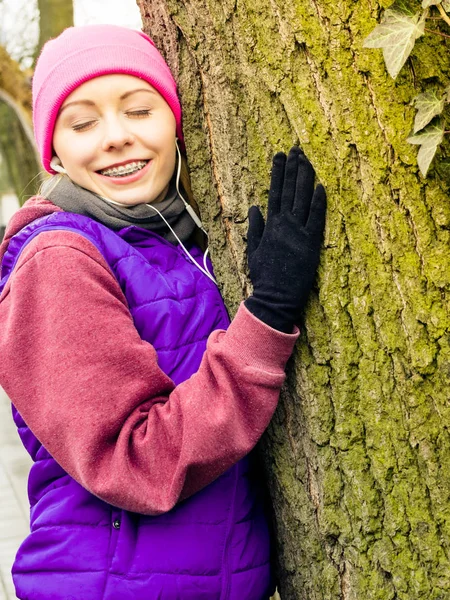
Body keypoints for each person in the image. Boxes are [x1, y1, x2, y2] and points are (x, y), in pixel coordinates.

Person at [0, 24, 326, 600]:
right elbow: (135, 460)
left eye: (139, 110)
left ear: (176, 120)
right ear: (53, 149)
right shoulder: (57, 260)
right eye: (83, 123)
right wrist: (267, 314)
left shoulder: (179, 241)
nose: (116, 137)